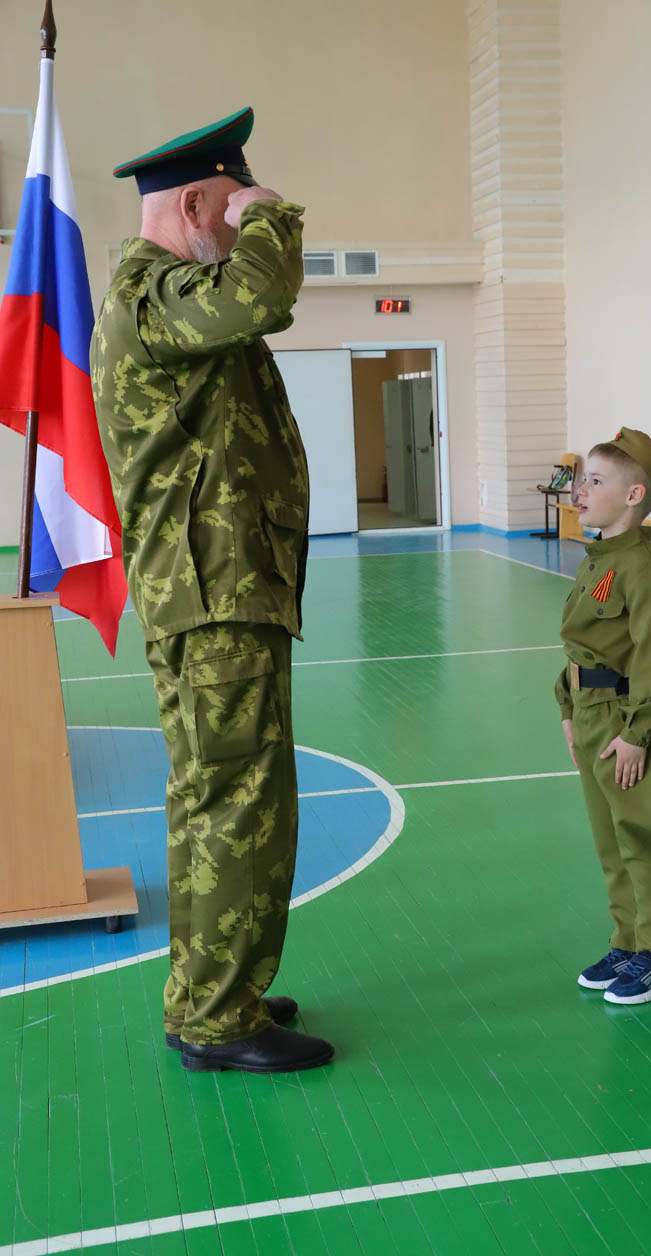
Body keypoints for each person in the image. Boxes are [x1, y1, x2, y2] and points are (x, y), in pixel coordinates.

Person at [90, 107, 335, 1075]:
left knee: (217, 794)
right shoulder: (155, 295)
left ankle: (213, 990)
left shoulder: (170, 296)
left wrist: (255, 222)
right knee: (236, 797)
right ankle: (219, 1019)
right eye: (232, 209)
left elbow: (247, 300)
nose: (243, 229)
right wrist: (276, 213)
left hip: (221, 584)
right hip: (213, 589)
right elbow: (261, 296)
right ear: (194, 201)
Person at [555, 427, 651, 1006]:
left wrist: (636, 734)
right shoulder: (599, 559)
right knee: (609, 842)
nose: (581, 490)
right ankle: (626, 942)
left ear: (633, 496)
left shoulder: (639, 568)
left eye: (596, 481)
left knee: (639, 838)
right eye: (582, 479)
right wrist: (567, 707)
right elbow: (583, 648)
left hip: (628, 721)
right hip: (590, 716)